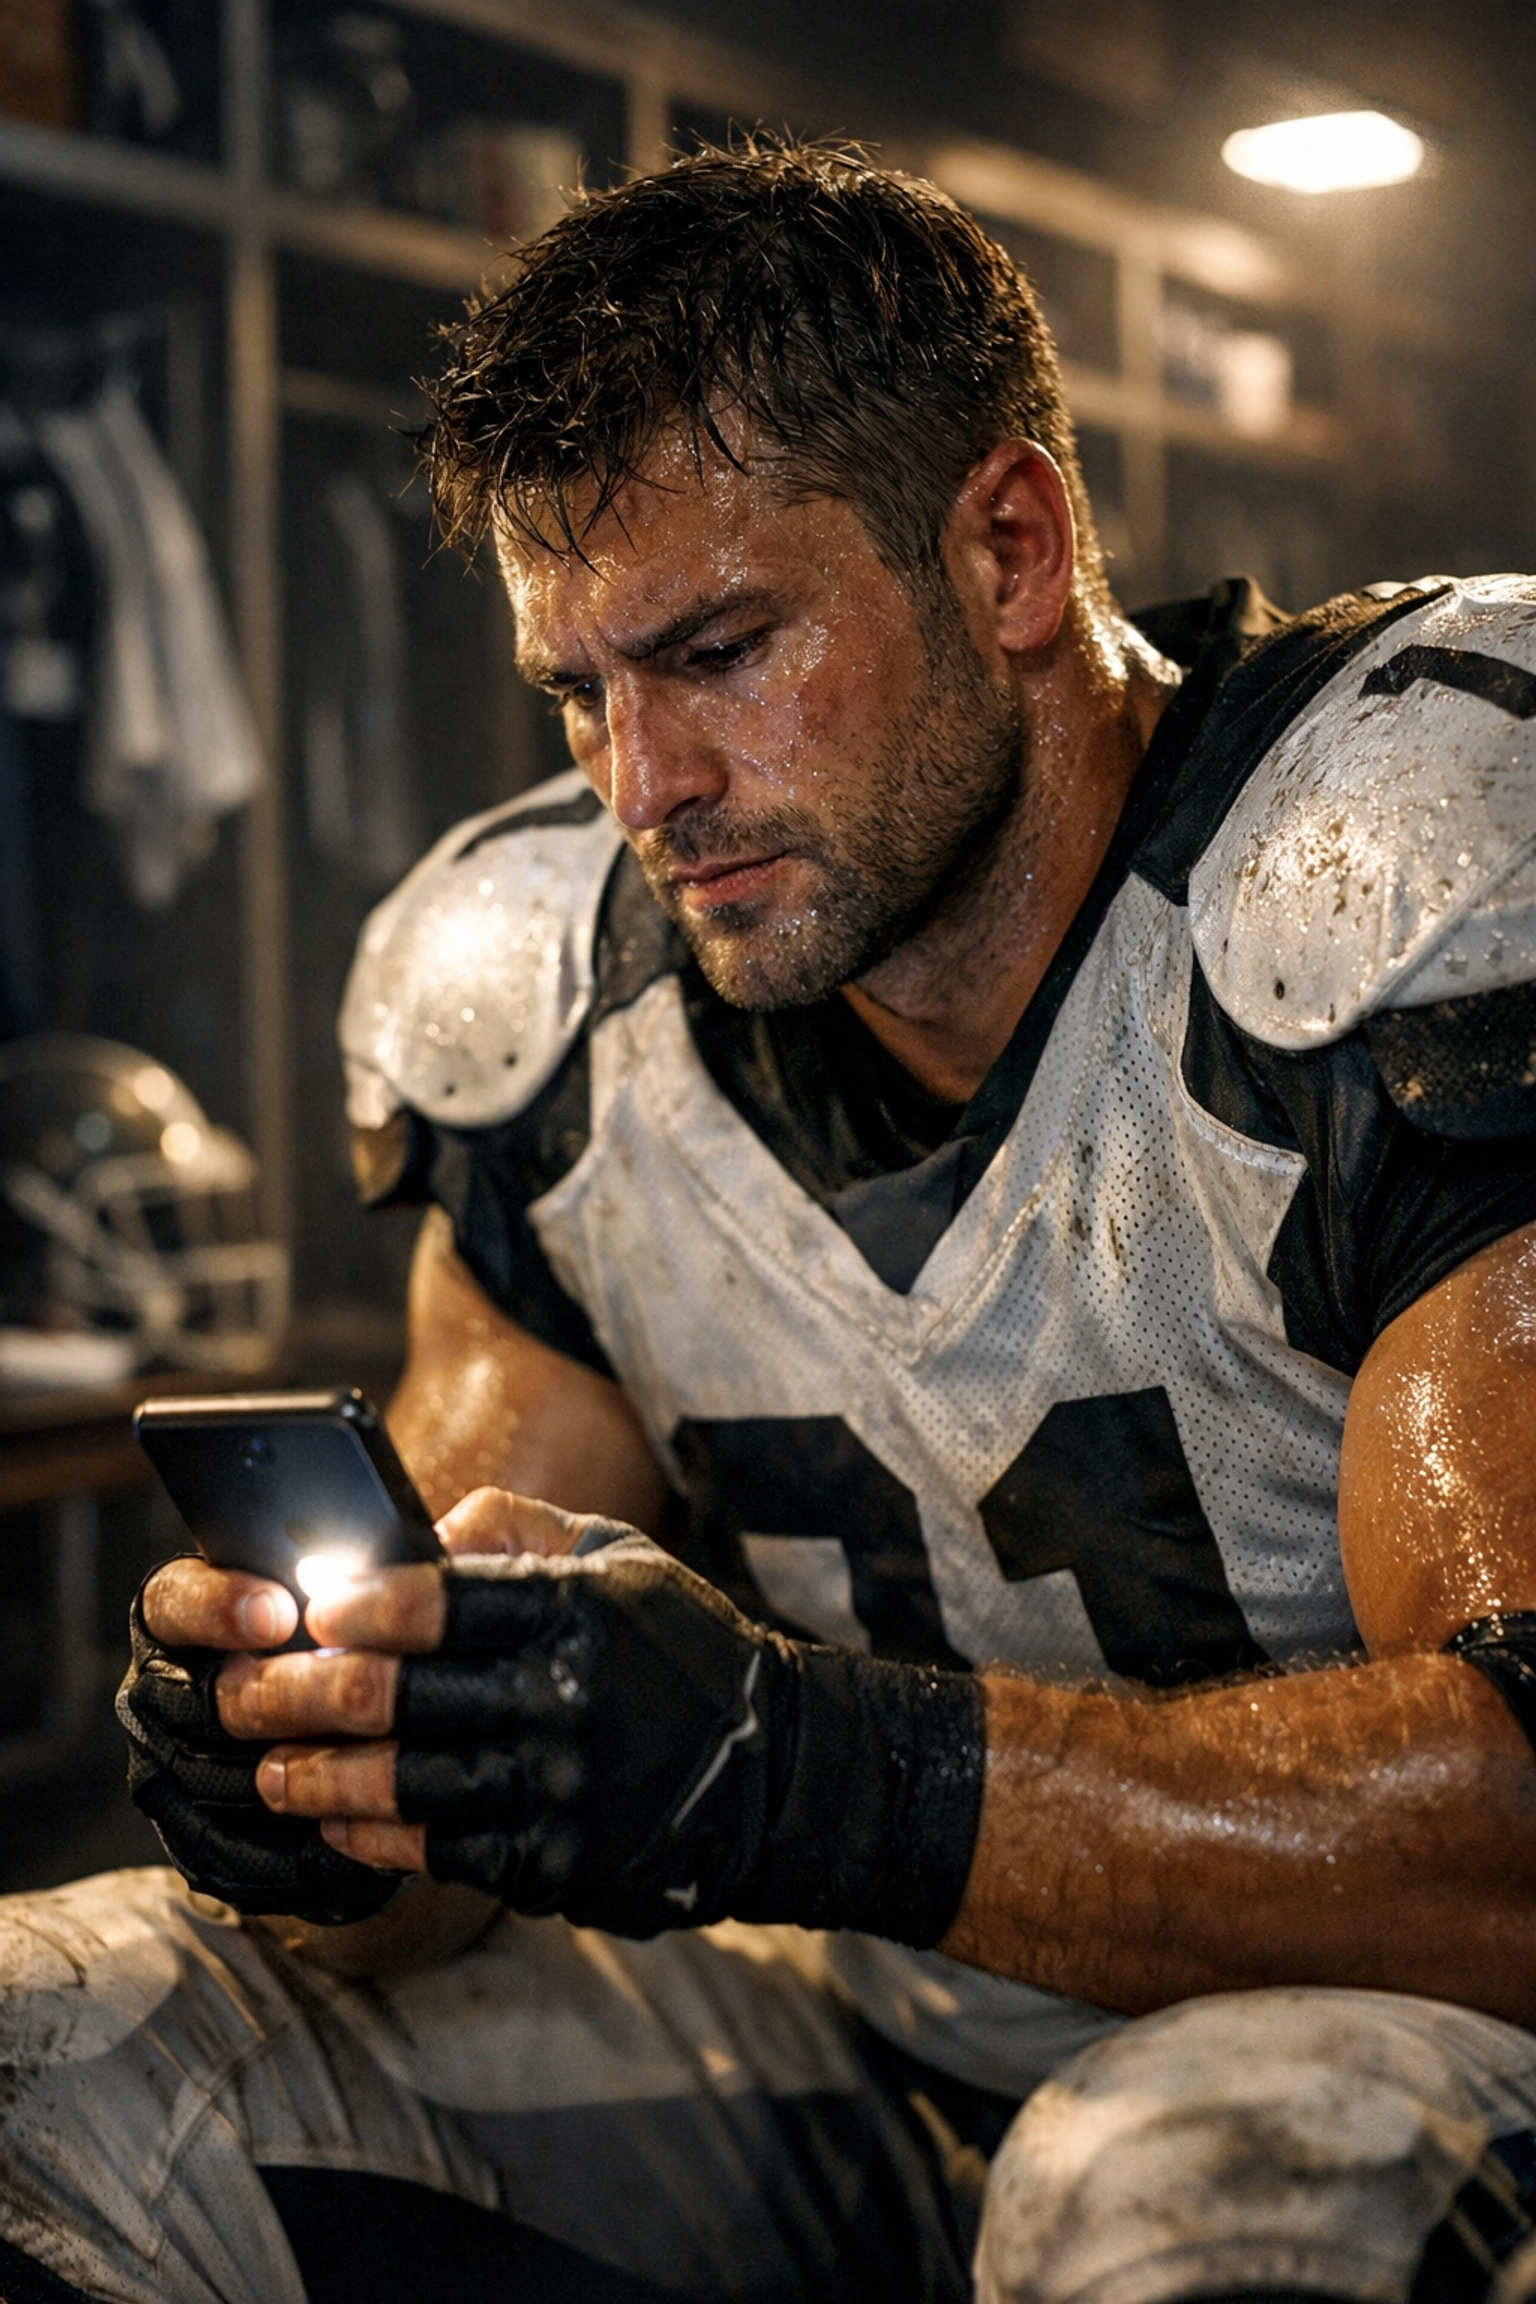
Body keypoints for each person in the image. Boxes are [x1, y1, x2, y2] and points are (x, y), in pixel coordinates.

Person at [5, 137, 1536, 2304]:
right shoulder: (551, 1010)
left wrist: (807, 1777)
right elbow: (425, 1852)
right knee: (44, 2040)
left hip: (1407, 2059)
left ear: (1008, 548)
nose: (644, 786)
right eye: (577, 690)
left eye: (720, 650)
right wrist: (323, 1782)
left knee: (1196, 2174)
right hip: (862, 2046)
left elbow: (1521, 1832)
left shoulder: (1395, 872)